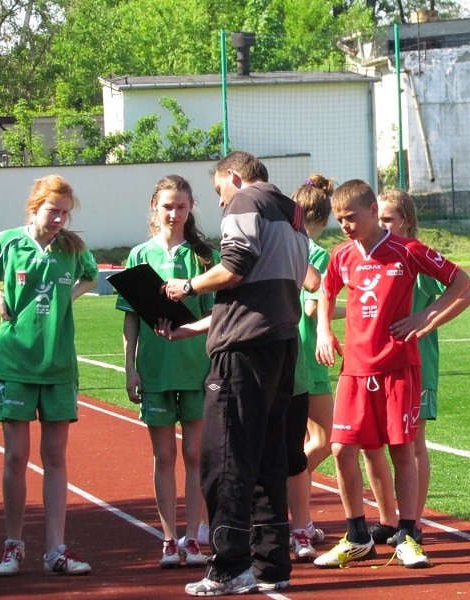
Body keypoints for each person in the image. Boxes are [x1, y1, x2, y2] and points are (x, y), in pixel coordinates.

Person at [163, 151, 309, 595]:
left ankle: (229, 566)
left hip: (243, 350)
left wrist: (187, 286)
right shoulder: (292, 211)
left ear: (233, 176)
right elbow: (264, 287)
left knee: (224, 459)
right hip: (281, 343)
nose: (220, 201)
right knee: (268, 458)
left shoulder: (246, 201)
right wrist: (195, 327)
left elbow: (235, 267)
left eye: (218, 190)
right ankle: (271, 564)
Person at [313, 180, 470, 569]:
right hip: (355, 370)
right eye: (339, 219)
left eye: (351, 217)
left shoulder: (407, 250)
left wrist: (425, 316)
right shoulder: (342, 256)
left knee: (403, 450)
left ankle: (408, 535)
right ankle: (357, 536)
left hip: (399, 367)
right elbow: (325, 292)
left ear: (372, 211)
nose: (345, 225)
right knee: (341, 449)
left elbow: (461, 281)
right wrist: (323, 331)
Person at [0, 175, 97, 577]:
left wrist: (70, 296)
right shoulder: (9, 242)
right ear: (35, 208)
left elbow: (91, 274)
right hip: (16, 362)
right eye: (53, 211)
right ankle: (13, 545)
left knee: (55, 457)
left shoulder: (71, 247)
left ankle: (56, 550)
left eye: (65, 213)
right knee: (16, 456)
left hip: (59, 365)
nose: (59, 219)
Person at [361, 189, 470, 547]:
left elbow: (467, 291)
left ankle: (413, 522)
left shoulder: (414, 256)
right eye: (378, 218)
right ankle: (387, 519)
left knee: (411, 443)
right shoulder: (374, 256)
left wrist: (426, 319)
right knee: (372, 443)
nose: (382, 225)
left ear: (406, 221)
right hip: (378, 363)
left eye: (389, 219)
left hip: (416, 364)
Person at [116, 175, 218, 568]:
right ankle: (169, 539)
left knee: (194, 454)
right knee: (163, 456)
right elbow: (129, 318)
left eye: (181, 206)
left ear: (191, 208)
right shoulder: (139, 255)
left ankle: (193, 538)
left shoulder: (204, 256)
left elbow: (218, 313)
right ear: (154, 208)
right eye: (167, 206)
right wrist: (130, 368)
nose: (174, 214)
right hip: (155, 370)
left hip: (196, 368)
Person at [289, 174, 342, 561]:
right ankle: (286, 500)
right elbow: (312, 306)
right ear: (324, 219)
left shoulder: (281, 244)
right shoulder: (316, 254)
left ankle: (301, 521)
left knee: (304, 440)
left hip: (285, 351)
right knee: (323, 440)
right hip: (309, 355)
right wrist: (362, 310)